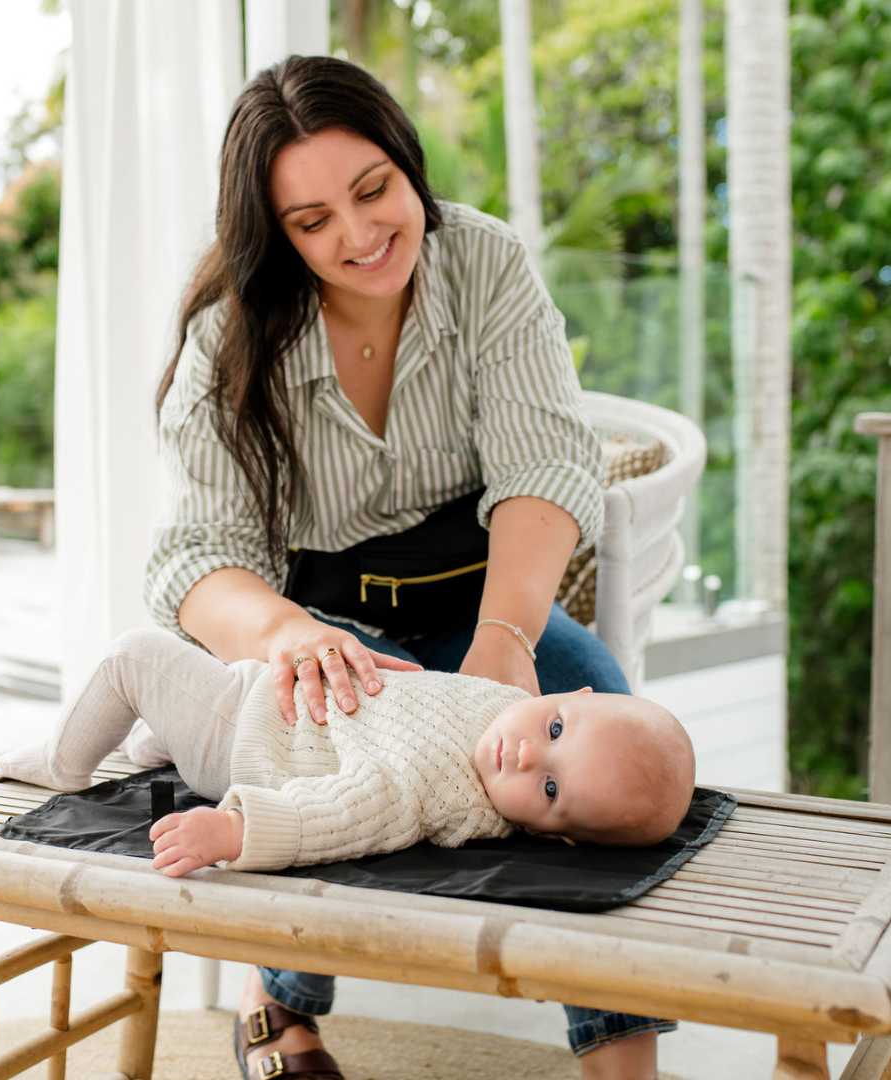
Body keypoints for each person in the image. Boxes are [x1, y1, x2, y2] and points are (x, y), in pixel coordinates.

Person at [141, 52, 676, 1080]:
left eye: (374, 190)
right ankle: (283, 1005)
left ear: (406, 162)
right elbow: (199, 559)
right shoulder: (230, 341)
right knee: (341, 769)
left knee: (603, 720)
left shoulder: (486, 262)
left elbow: (542, 465)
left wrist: (508, 640)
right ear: (276, 235)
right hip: (331, 623)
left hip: (483, 598)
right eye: (311, 222)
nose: (358, 236)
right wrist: (289, 636)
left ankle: (621, 1052)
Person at [0, 627, 697, 870]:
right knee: (171, 692)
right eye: (554, 734)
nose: (523, 757)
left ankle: (63, 761)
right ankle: (158, 743)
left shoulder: (428, 787)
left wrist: (239, 830)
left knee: (135, 657)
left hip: (245, 738)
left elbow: (339, 814)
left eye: (549, 791)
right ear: (570, 697)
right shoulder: (510, 706)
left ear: (556, 837)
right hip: (275, 697)